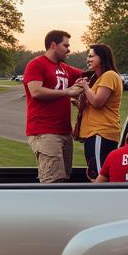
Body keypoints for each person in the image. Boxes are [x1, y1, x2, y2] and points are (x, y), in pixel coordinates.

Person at [24, 29, 85, 183]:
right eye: (65, 45)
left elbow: (87, 74)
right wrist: (67, 91)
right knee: (52, 182)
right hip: (45, 132)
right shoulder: (36, 64)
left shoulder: (64, 68)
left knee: (64, 180)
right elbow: (36, 91)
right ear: (53, 45)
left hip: (64, 132)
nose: (68, 49)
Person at [76, 43, 123, 180]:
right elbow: (90, 104)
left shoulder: (109, 75)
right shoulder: (95, 78)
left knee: (98, 175)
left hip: (100, 133)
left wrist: (85, 87)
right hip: (93, 134)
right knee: (94, 173)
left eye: (91, 56)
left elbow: (97, 102)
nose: (88, 59)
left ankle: (102, 201)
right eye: (87, 56)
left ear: (102, 57)